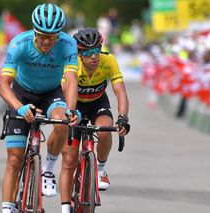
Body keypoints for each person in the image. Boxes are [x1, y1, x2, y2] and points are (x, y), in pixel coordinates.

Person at [0, 3, 80, 213]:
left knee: (62, 122)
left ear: (59, 34)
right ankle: (7, 209)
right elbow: (3, 86)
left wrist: (70, 110)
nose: (46, 41)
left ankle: (48, 170)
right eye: (42, 35)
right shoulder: (19, 43)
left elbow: (71, 81)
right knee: (14, 159)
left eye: (52, 37)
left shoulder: (68, 44)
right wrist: (19, 107)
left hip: (51, 94)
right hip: (21, 95)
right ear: (34, 31)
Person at [60, 28, 130, 212]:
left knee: (105, 130)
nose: (94, 57)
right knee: (69, 159)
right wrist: (70, 112)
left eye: (96, 51)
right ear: (80, 54)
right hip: (75, 104)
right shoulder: (72, 63)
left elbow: (120, 91)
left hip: (98, 102)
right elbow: (65, 90)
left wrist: (123, 117)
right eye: (88, 53)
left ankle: (100, 168)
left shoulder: (109, 60)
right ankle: (66, 207)